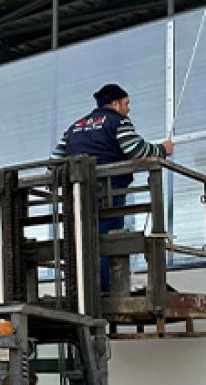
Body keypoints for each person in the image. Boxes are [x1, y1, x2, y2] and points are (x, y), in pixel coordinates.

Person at [52, 83, 174, 291]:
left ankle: (81, 290)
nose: (129, 108)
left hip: (76, 196)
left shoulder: (74, 127)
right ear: (115, 104)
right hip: (110, 193)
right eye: (126, 103)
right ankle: (105, 290)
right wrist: (162, 149)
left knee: (81, 242)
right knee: (108, 243)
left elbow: (54, 162)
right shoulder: (118, 121)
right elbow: (135, 149)